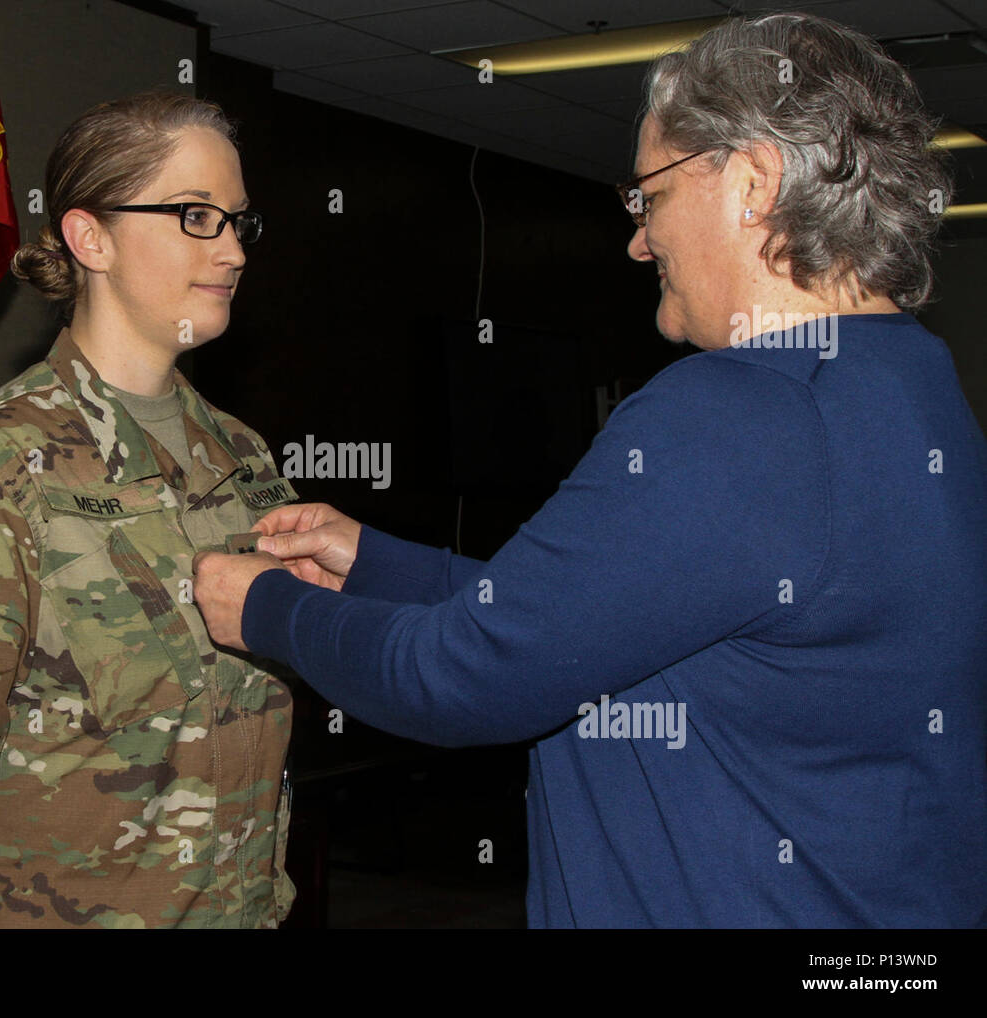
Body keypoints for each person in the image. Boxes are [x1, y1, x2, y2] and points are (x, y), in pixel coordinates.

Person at [192, 13, 987, 928]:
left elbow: (462, 681)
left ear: (753, 183)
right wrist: (373, 562)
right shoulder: (914, 384)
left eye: (648, 196)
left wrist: (267, 609)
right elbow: (601, 626)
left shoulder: (735, 408)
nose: (638, 242)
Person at [0, 93, 300, 928]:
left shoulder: (247, 461)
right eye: (197, 216)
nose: (233, 250)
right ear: (92, 238)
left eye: (239, 221)